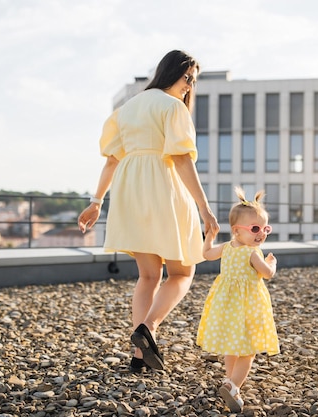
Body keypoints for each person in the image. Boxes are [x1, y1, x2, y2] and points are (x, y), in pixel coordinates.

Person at [78, 50, 219, 373]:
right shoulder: (173, 108)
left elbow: (112, 160)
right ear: (173, 72)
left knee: (148, 275)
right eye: (187, 78)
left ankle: (140, 356)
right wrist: (205, 207)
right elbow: (182, 159)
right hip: (163, 186)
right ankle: (148, 328)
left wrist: (97, 201)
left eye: (193, 82)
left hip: (130, 189)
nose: (189, 87)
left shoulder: (126, 109)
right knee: (183, 272)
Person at [196, 187, 279, 413]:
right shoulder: (252, 253)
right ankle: (233, 385)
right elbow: (267, 274)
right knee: (248, 350)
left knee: (232, 346)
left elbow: (206, 254)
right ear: (236, 230)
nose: (261, 233)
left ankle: (229, 380)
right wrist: (272, 263)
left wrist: (209, 238)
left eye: (265, 229)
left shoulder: (226, 248)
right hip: (248, 307)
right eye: (255, 229)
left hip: (226, 306)